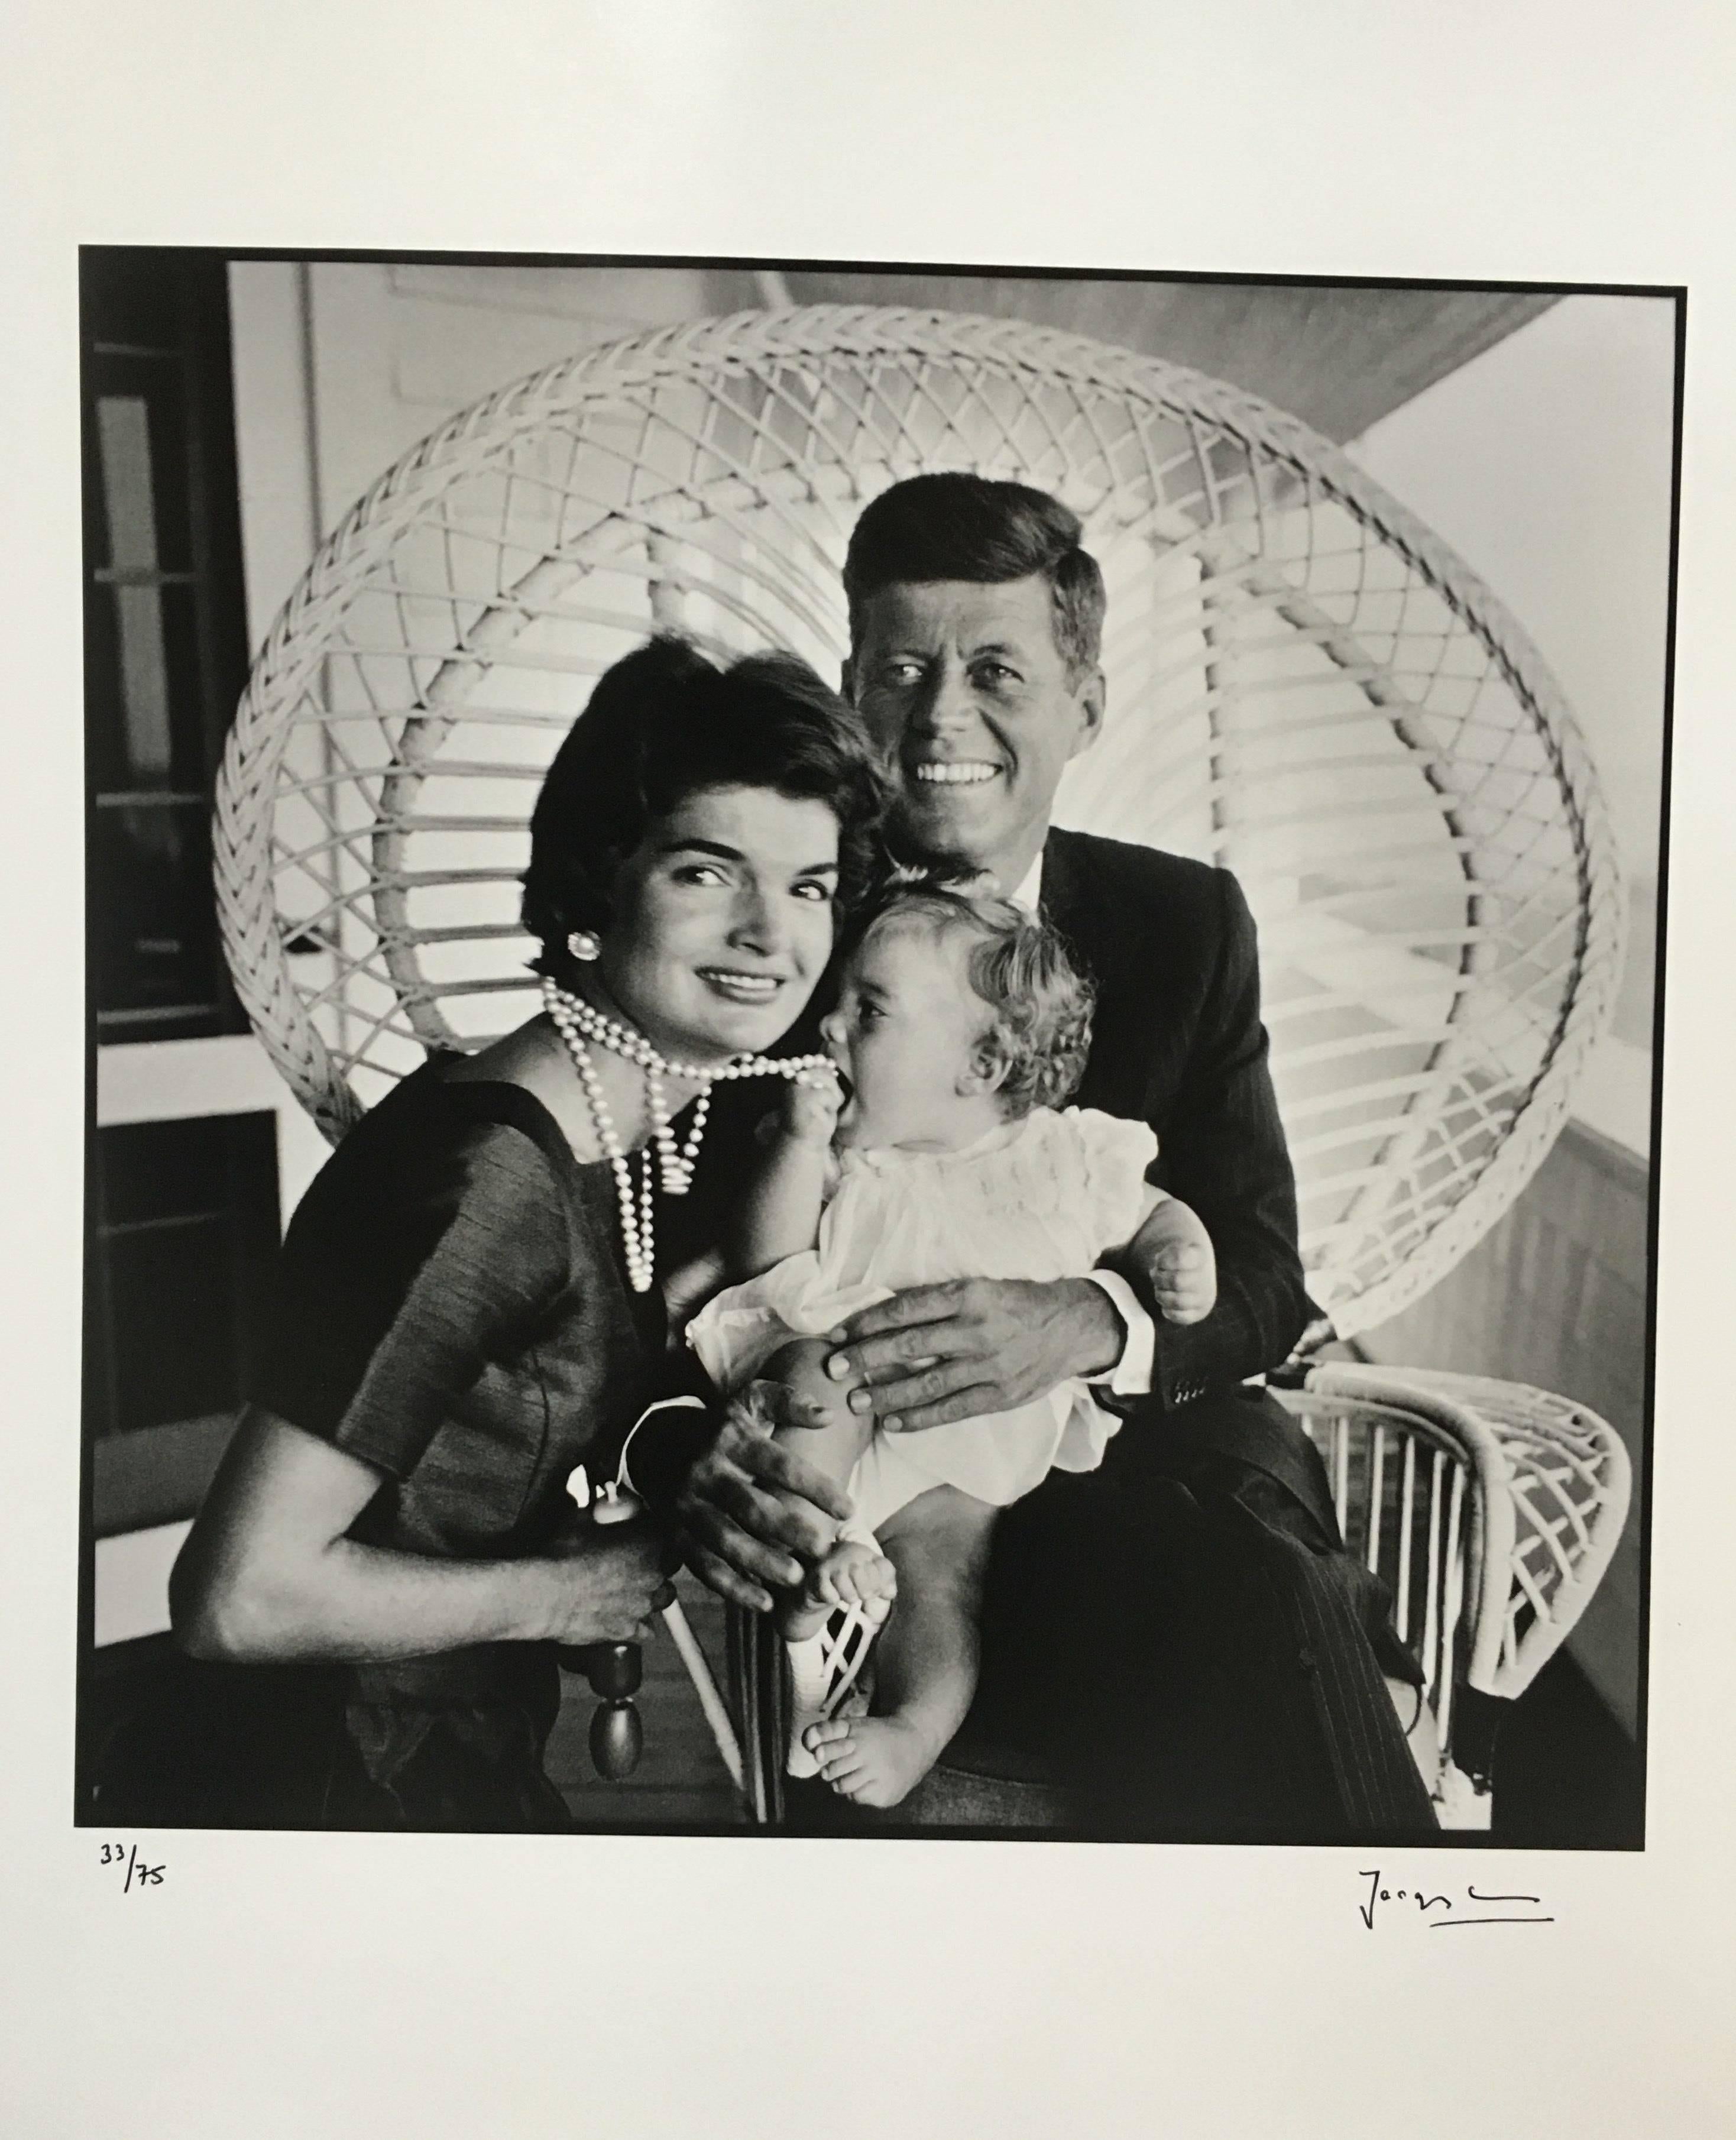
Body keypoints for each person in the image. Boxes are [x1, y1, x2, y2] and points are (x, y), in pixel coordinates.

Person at [665, 472, 1437, 1841]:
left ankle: (1369, 1954)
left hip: (1133, 1478)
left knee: (1256, 1579)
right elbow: (653, 1263)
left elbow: (1260, 1275)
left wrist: (1091, 1319)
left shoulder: (1180, 923)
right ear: (853, 691)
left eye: (996, 669)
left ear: (1084, 700)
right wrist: (698, 1449)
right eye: (900, 668)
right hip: (863, 1480)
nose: (941, 713)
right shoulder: (781, 922)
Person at [164, 637, 886, 1831]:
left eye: (810, 885)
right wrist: (561, 1595)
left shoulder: (650, 1127)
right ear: (596, 889)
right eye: (710, 872)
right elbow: (237, 1596)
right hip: (333, 1783)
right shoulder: (485, 1180)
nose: (773, 935)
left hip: (456, 1745)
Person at [685, 881, 1217, 1806]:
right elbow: (767, 1261)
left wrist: (1179, 1255)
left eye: (870, 1012)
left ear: (980, 1063)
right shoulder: (853, 1156)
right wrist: (799, 1145)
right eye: (841, 1003)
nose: (831, 1030)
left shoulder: (1063, 1158)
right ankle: (817, 1560)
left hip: (964, 1463)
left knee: (943, 1592)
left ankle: (911, 1728)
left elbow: (1153, 1214)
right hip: (845, 1412)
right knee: (809, 1383)